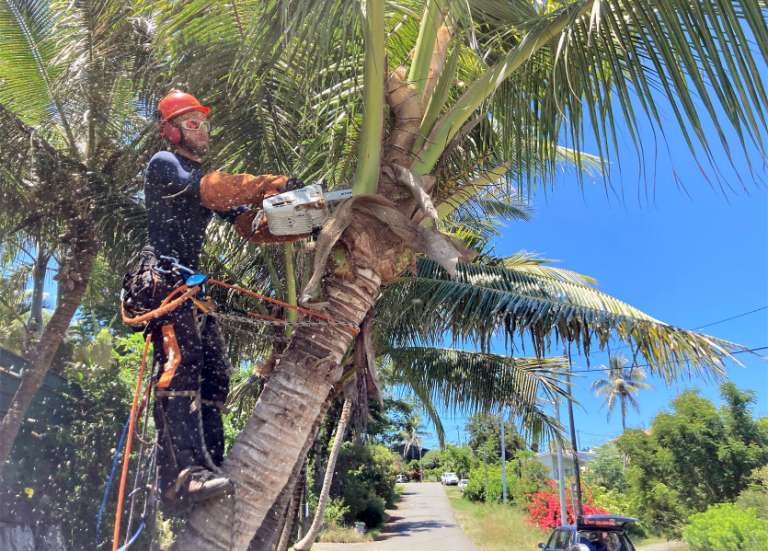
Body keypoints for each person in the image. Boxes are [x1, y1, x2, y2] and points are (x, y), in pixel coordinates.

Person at [121, 90, 304, 509]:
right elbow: (214, 190)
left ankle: (210, 464)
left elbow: (245, 223)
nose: (201, 130)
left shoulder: (200, 181)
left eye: (203, 122)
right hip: (166, 284)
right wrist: (268, 184)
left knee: (215, 377)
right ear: (170, 131)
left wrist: (297, 221)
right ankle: (180, 476)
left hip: (192, 292)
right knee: (179, 369)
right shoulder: (165, 165)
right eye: (190, 123)